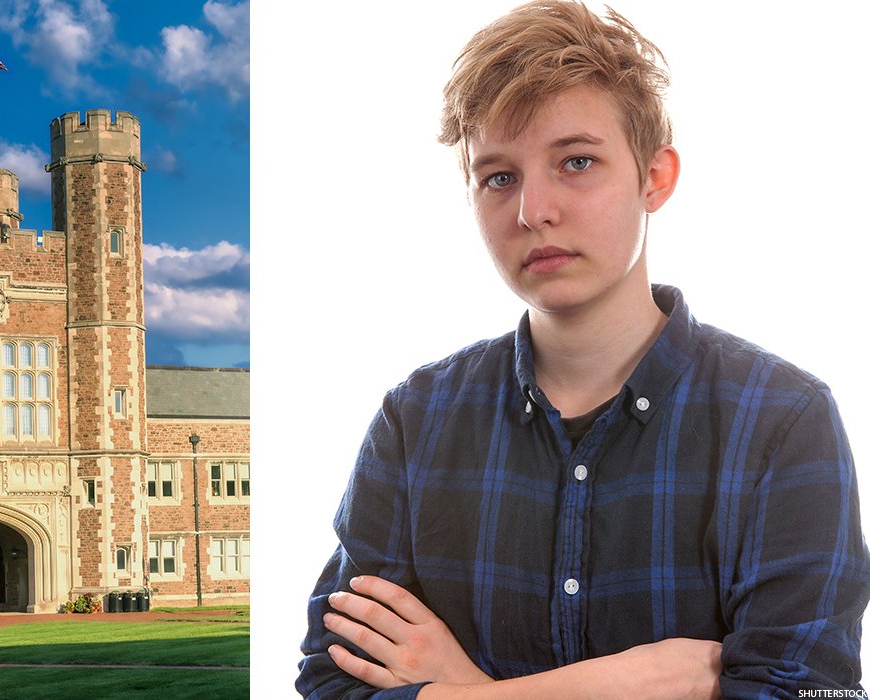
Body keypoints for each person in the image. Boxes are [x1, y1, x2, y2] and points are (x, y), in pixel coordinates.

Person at [295, 1, 870, 697]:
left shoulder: (782, 418)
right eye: (497, 177)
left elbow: (800, 690)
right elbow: (334, 678)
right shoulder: (415, 420)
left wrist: (458, 688)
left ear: (653, 177)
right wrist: (645, 681)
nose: (532, 210)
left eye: (575, 161)